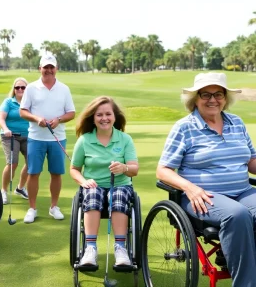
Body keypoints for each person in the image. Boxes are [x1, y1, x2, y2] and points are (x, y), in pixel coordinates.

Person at [156, 72, 256, 287]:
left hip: (243, 191)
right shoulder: (184, 127)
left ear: (225, 98)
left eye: (218, 94)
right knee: (237, 215)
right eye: (205, 94)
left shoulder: (236, 123)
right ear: (195, 99)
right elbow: (163, 170)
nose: (212, 100)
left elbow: (252, 162)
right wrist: (189, 188)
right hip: (204, 197)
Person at [70, 96, 139, 266]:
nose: (104, 118)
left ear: (115, 116)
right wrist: (83, 181)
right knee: (92, 194)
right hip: (94, 186)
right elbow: (74, 169)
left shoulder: (125, 139)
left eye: (108, 114)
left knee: (118, 194)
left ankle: (120, 249)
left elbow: (134, 169)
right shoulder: (84, 140)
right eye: (99, 115)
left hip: (120, 185)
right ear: (93, 118)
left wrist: (124, 168)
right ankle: (90, 249)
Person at [20, 54, 75, 223]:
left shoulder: (64, 89)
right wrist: (37, 119)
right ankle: (32, 208)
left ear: (56, 69)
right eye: (46, 67)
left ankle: (54, 207)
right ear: (40, 68)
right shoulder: (31, 88)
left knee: (56, 173)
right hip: (36, 138)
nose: (49, 70)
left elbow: (71, 113)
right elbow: (23, 111)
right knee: (33, 172)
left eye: (52, 67)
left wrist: (59, 119)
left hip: (57, 138)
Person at [0, 77, 29, 205]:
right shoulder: (8, 102)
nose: (20, 89)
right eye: (17, 87)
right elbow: (1, 118)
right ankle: (3, 191)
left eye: (23, 87)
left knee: (32, 163)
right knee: (12, 163)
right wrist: (5, 129)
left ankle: (20, 188)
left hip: (28, 136)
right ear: (14, 90)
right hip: (10, 136)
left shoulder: (30, 102)